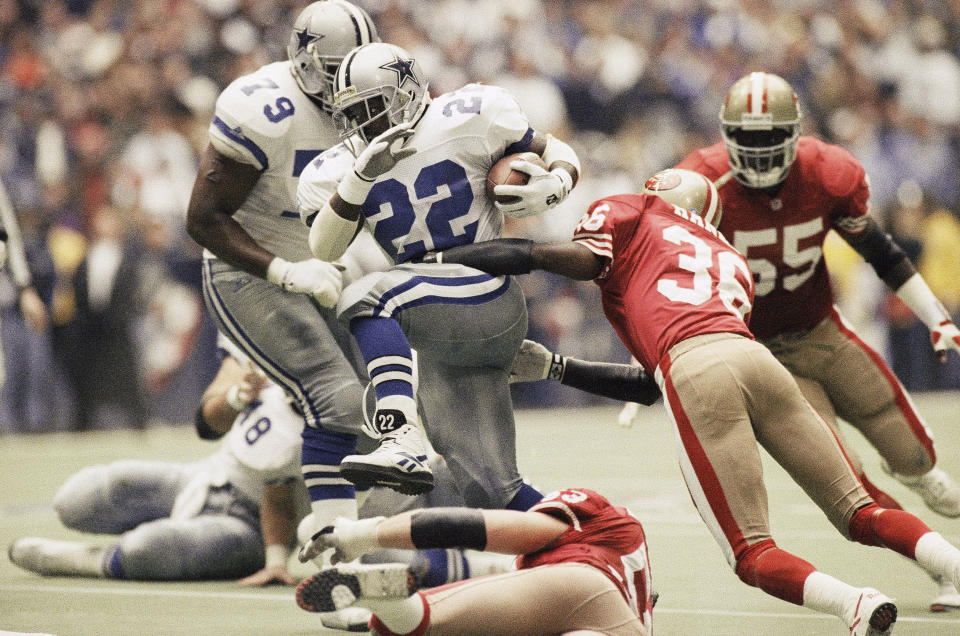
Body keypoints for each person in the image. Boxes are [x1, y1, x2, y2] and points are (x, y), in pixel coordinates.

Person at [421, 167, 960, 635]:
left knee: (751, 551)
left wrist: (439, 256)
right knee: (861, 510)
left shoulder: (631, 211)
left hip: (695, 369)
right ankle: (953, 564)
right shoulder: (730, 257)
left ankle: (853, 603)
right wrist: (557, 367)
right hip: (756, 361)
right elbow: (657, 378)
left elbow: (538, 255)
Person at [672, 70, 960, 611]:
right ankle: (944, 565)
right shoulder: (699, 185)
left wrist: (934, 314)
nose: (757, 152)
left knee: (913, 454)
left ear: (796, 132)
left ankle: (921, 482)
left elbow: (881, 250)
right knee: (845, 477)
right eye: (746, 137)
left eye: (768, 137)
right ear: (724, 134)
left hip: (821, 330)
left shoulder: (828, 174)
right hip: (756, 356)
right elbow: (667, 279)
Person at [296, 41, 582, 509]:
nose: (362, 122)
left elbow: (551, 146)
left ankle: (400, 435)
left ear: (406, 91)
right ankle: (588, 539)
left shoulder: (470, 112)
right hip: (433, 319)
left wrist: (560, 180)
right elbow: (324, 248)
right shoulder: (339, 167)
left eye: (372, 106)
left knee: (367, 298)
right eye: (351, 112)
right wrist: (359, 179)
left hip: (486, 289)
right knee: (489, 489)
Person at [184, 1, 384, 581]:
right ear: (302, 59)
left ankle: (357, 534)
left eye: (358, 68)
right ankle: (336, 560)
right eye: (335, 68)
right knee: (337, 398)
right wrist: (282, 271)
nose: (347, 84)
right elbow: (203, 219)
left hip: (326, 263)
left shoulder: (374, 92)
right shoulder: (262, 107)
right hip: (249, 269)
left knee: (383, 409)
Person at [7, 348, 306, 584]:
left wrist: (276, 559)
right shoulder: (270, 344)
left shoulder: (339, 401)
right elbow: (206, 423)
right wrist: (238, 396)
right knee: (77, 498)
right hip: (204, 476)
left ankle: (84, 561)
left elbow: (279, 496)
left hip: (254, 530)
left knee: (144, 549)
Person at [295, 487, 654, 636]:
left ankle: (384, 604)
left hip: (577, 585)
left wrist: (365, 534)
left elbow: (477, 527)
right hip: (603, 616)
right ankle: (382, 606)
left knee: (422, 619)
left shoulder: (603, 518)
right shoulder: (628, 561)